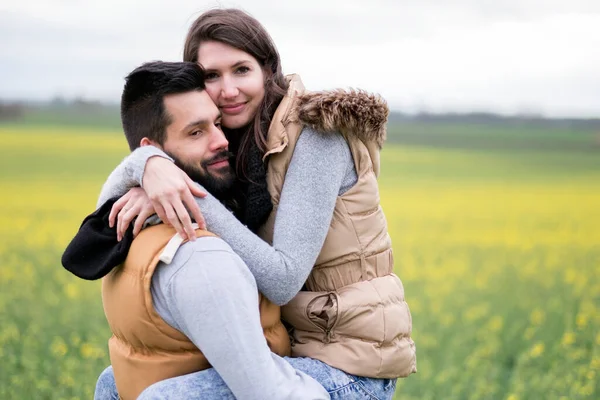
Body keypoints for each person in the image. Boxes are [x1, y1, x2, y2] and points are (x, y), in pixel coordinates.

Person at [94, 8, 416, 400]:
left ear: (268, 69)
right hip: (283, 351)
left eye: (241, 70)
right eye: (212, 76)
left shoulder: (318, 137)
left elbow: (283, 280)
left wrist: (187, 193)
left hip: (348, 367)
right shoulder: (230, 142)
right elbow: (106, 213)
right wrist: (147, 165)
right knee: (113, 383)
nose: (228, 90)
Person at [64, 60, 330, 400]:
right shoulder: (201, 259)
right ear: (152, 150)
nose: (222, 140)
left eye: (217, 123)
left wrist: (145, 166)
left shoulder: (128, 235)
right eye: (196, 132)